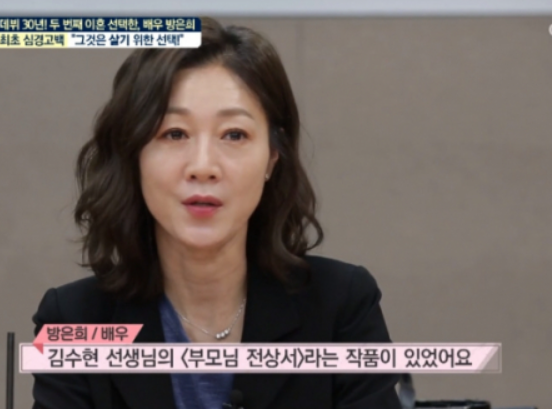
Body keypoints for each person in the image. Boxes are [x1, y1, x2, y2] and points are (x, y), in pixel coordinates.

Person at [31, 16, 402, 409]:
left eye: (234, 135)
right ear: (132, 154)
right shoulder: (72, 323)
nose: (203, 166)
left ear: (272, 157)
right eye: (174, 133)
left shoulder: (341, 306)